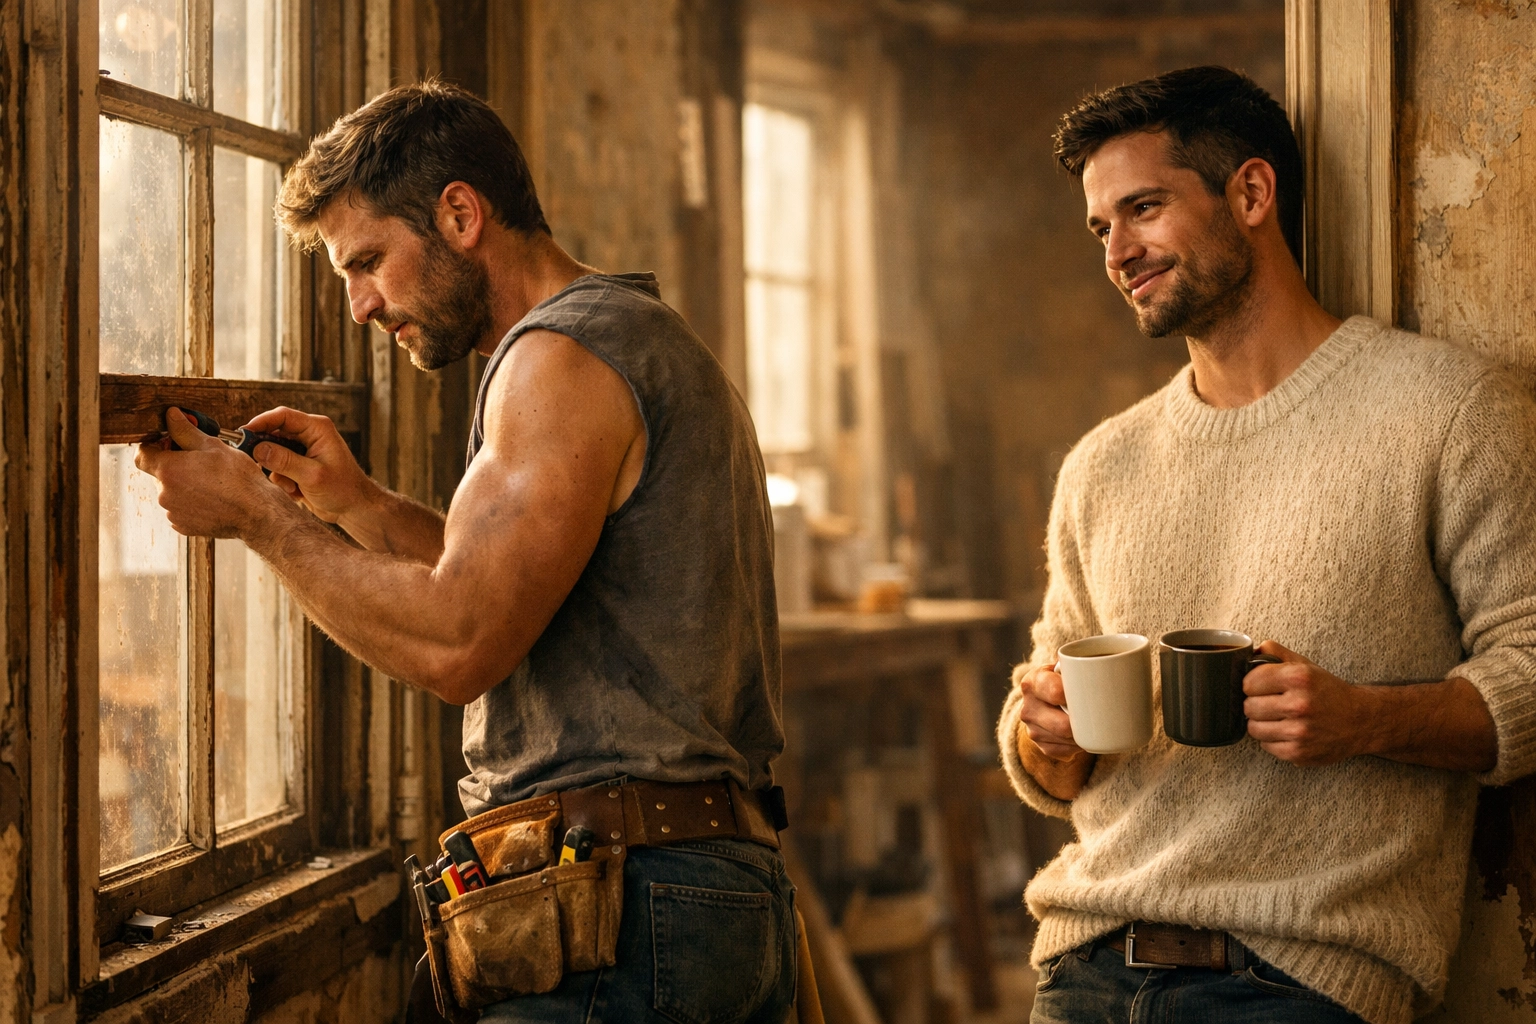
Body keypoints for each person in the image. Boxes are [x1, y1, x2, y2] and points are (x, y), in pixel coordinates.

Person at [137, 80, 796, 1023]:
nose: (360, 306)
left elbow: (463, 642)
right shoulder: (625, 338)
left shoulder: (560, 359)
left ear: (458, 214)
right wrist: (352, 504)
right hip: (678, 896)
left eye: (369, 262)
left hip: (629, 911)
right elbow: (522, 586)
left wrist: (257, 519)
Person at [998, 65, 1536, 1024]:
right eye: (1100, 227)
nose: (1117, 251)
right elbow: (1052, 749)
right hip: (1082, 966)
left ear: (1250, 193)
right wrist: (1043, 733)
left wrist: (1364, 720)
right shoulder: (1102, 464)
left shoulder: (1451, 412)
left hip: (1304, 981)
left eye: (1144, 209)